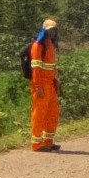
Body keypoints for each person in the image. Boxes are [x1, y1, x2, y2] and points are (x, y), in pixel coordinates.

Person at [26, 17, 62, 152]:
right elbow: (35, 69)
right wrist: (38, 86)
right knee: (39, 113)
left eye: (54, 30)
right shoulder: (38, 46)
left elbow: (51, 67)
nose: (52, 33)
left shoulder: (51, 45)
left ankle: (48, 141)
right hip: (41, 85)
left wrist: (56, 80)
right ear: (44, 31)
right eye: (50, 30)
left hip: (50, 85)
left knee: (52, 113)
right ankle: (36, 144)